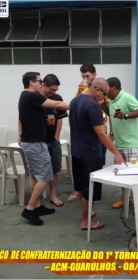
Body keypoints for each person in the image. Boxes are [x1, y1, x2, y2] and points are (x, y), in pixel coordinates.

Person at [69, 77, 126, 230]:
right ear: (97, 90)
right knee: (90, 188)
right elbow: (101, 134)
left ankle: (86, 214)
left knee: (82, 185)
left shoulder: (75, 101)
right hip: (90, 153)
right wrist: (116, 153)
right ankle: (85, 221)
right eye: (105, 93)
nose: (106, 97)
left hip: (76, 150)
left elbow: (73, 124)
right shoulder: (93, 105)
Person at [18, 72, 69, 225]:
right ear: (31, 82)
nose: (42, 83)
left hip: (32, 142)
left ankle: (38, 205)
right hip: (34, 144)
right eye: (40, 81)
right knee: (46, 176)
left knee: (34, 175)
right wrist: (81, 103)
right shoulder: (32, 96)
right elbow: (57, 105)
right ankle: (30, 208)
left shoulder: (26, 96)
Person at [67, 62, 111, 203]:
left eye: (87, 76)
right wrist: (80, 93)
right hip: (84, 136)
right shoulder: (82, 93)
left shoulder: (103, 87)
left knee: (96, 166)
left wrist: (100, 102)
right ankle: (82, 193)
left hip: (98, 132)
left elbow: (109, 110)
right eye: (83, 76)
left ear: (94, 75)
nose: (85, 78)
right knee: (82, 169)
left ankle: (91, 197)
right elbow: (75, 107)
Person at [104, 77, 138, 209]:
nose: (105, 92)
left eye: (106, 89)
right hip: (120, 146)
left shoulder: (127, 97)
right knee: (122, 176)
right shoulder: (112, 101)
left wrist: (125, 115)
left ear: (114, 87)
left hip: (132, 145)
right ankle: (126, 198)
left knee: (135, 177)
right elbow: (110, 115)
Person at [41, 74, 68, 207]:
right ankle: (36, 199)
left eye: (55, 90)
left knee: (54, 169)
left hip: (52, 140)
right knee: (38, 170)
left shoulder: (57, 98)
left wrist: (57, 135)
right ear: (43, 85)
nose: (53, 92)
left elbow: (60, 118)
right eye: (51, 89)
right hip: (38, 140)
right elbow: (23, 118)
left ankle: (53, 195)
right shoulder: (35, 97)